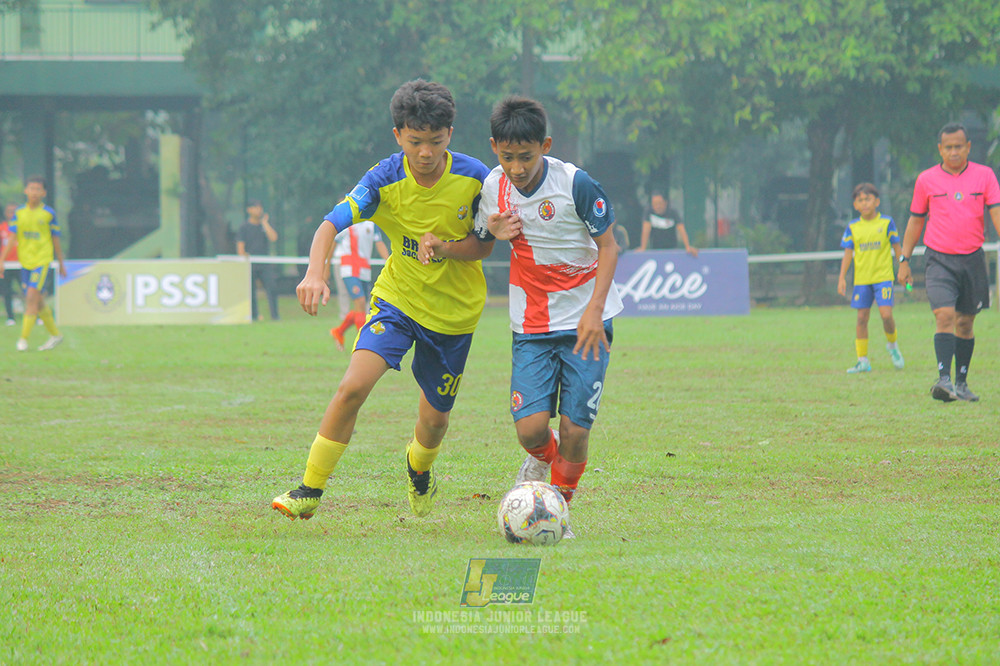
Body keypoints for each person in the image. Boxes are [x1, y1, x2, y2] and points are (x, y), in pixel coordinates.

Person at [272, 79, 491, 521]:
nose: (425, 152)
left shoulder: (476, 178)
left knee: (434, 424)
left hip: (454, 316)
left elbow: (485, 246)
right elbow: (329, 225)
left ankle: (418, 470)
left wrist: (446, 247)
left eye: (435, 141)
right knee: (353, 386)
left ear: (450, 134)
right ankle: (309, 490)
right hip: (397, 301)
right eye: (415, 142)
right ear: (398, 136)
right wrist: (314, 272)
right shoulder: (383, 179)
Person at [422, 96, 624, 537]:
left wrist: (594, 312)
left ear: (545, 145)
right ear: (495, 147)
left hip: (587, 325)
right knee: (532, 431)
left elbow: (609, 247)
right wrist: (448, 246)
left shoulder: (576, 185)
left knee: (574, 431)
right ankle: (541, 463)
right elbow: (479, 244)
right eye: (507, 156)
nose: (516, 167)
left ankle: (557, 512)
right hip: (531, 326)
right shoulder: (493, 187)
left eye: (527, 157)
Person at [898, 122, 1000, 402]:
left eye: (959, 146)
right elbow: (915, 221)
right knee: (944, 315)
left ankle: (962, 383)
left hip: (972, 259)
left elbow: (996, 213)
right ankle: (944, 380)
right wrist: (904, 259)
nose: (954, 152)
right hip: (938, 259)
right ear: (940, 149)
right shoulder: (926, 180)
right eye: (948, 147)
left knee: (965, 323)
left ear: (968, 147)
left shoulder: (985, 176)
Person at [837, 183, 905, 374]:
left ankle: (892, 346)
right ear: (855, 205)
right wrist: (842, 277)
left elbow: (897, 247)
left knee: (886, 315)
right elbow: (848, 253)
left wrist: (903, 268)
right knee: (861, 318)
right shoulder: (853, 227)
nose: (864, 203)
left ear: (877, 201)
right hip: (862, 280)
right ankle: (862, 360)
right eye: (860, 200)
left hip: (883, 277)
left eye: (868, 199)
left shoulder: (886, 223)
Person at [0, 176, 66, 351]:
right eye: (31, 188)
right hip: (25, 262)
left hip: (42, 261)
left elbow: (55, 238)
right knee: (37, 301)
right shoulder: (19, 213)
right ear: (25, 191)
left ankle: (23, 340)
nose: (34, 192)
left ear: (43, 193)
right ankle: (55, 335)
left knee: (30, 297)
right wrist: (2, 259)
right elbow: (12, 236)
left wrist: (61, 262)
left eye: (38, 189)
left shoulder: (48, 213)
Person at [327, 220, 389, 351]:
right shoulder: (347, 222)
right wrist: (326, 269)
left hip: (364, 269)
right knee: (360, 301)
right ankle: (363, 344)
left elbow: (379, 244)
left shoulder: (371, 224)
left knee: (360, 308)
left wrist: (390, 262)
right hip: (349, 267)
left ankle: (338, 331)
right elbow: (333, 245)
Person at [236, 200, 280, 321]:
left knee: (271, 287)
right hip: (250, 265)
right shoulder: (244, 227)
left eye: (259, 207)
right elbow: (240, 248)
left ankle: (275, 316)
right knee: (251, 291)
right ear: (249, 210)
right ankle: (254, 316)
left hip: (265, 264)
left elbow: (274, 238)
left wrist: (264, 223)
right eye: (255, 207)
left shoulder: (265, 226)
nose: (258, 210)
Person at [638, 190, 697, 255]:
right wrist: (643, 248)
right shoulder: (648, 212)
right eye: (654, 204)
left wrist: (687, 246)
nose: (657, 206)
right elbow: (646, 230)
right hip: (655, 250)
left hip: (672, 249)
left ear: (665, 203)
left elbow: (681, 229)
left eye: (659, 203)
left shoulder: (673, 212)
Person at [0, 202, 19, 325]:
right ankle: (10, 317)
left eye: (14, 211)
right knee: (6, 291)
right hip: (6, 264)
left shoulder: (23, 227)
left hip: (22, 263)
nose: (12, 214)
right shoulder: (2, 228)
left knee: (29, 290)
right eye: (9, 211)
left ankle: (35, 315)